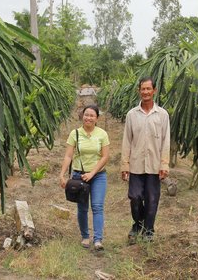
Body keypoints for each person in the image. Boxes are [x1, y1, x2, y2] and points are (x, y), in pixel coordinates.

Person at [121, 77, 170, 243]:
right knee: (134, 197)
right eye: (143, 89)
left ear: (154, 91)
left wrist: (164, 164)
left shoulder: (162, 115)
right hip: (136, 165)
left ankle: (148, 230)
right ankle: (137, 223)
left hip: (154, 165)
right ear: (139, 91)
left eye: (149, 89)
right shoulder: (132, 115)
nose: (146, 92)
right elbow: (127, 140)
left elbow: (166, 141)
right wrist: (124, 165)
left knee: (152, 199)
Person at [59, 105, 110, 250]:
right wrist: (62, 174)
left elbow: (105, 156)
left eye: (92, 115)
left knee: (97, 206)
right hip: (79, 175)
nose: (88, 117)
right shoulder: (74, 134)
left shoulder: (102, 134)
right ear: (82, 116)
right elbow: (68, 156)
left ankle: (98, 239)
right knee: (82, 208)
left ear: (97, 118)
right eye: (86, 115)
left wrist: (92, 173)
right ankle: (85, 236)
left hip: (98, 175)